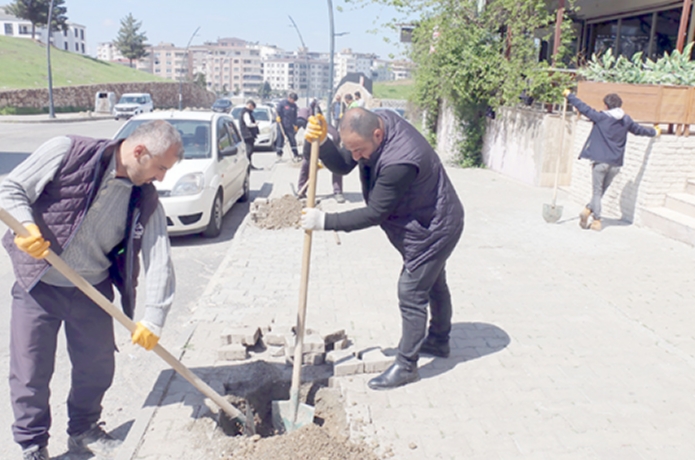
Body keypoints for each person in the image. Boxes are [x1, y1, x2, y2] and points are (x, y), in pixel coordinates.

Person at [0, 120, 183, 460]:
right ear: (139, 152)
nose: (161, 178)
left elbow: (159, 255)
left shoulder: (145, 197)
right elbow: (11, 189)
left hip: (91, 291)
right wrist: (25, 226)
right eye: (160, 168)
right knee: (30, 371)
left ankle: (83, 430)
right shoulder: (68, 151)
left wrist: (154, 318)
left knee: (96, 368)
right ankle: (32, 444)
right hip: (38, 284)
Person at [300, 108, 464, 390]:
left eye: (359, 150)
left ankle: (407, 365)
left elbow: (375, 213)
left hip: (434, 228)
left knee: (411, 290)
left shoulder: (400, 160)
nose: (355, 156)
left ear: (378, 135)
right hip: (426, 219)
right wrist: (324, 141)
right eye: (351, 148)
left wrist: (325, 221)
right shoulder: (371, 129)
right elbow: (344, 165)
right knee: (433, 282)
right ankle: (439, 340)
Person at [564, 89, 660, 231]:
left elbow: (583, 107)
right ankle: (587, 209)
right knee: (601, 191)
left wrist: (569, 96)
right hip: (615, 163)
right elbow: (639, 130)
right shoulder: (626, 120)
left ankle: (596, 220)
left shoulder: (601, 117)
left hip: (600, 161)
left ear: (606, 106)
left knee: (597, 192)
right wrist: (654, 132)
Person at [295, 107, 345, 203]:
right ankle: (301, 190)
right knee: (305, 165)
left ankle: (338, 191)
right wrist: (313, 162)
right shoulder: (310, 134)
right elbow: (306, 154)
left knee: (337, 167)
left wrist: (325, 162)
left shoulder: (332, 132)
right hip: (311, 151)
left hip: (329, 152)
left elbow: (337, 147)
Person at [275, 92, 300, 161]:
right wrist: (277, 118)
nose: (293, 101)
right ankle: (279, 154)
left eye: (294, 100)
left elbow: (295, 116)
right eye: (293, 100)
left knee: (292, 140)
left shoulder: (294, 106)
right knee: (280, 140)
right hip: (281, 125)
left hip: (289, 126)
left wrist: (295, 125)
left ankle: (295, 154)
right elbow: (276, 112)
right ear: (289, 98)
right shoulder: (282, 103)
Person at [239, 99, 260, 169]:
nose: (253, 110)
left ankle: (249, 164)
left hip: (247, 134)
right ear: (250, 106)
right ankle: (247, 165)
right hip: (247, 134)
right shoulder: (246, 113)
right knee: (249, 150)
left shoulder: (245, 112)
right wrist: (255, 124)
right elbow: (248, 124)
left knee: (250, 150)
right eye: (253, 108)